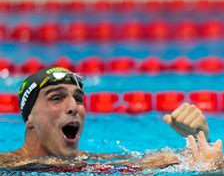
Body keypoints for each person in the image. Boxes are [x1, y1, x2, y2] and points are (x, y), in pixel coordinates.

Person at [0, 66, 209, 169]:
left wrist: (200, 140)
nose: (74, 107)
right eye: (57, 98)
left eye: (79, 98)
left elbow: (186, 163)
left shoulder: (93, 162)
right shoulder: (6, 165)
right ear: (29, 117)